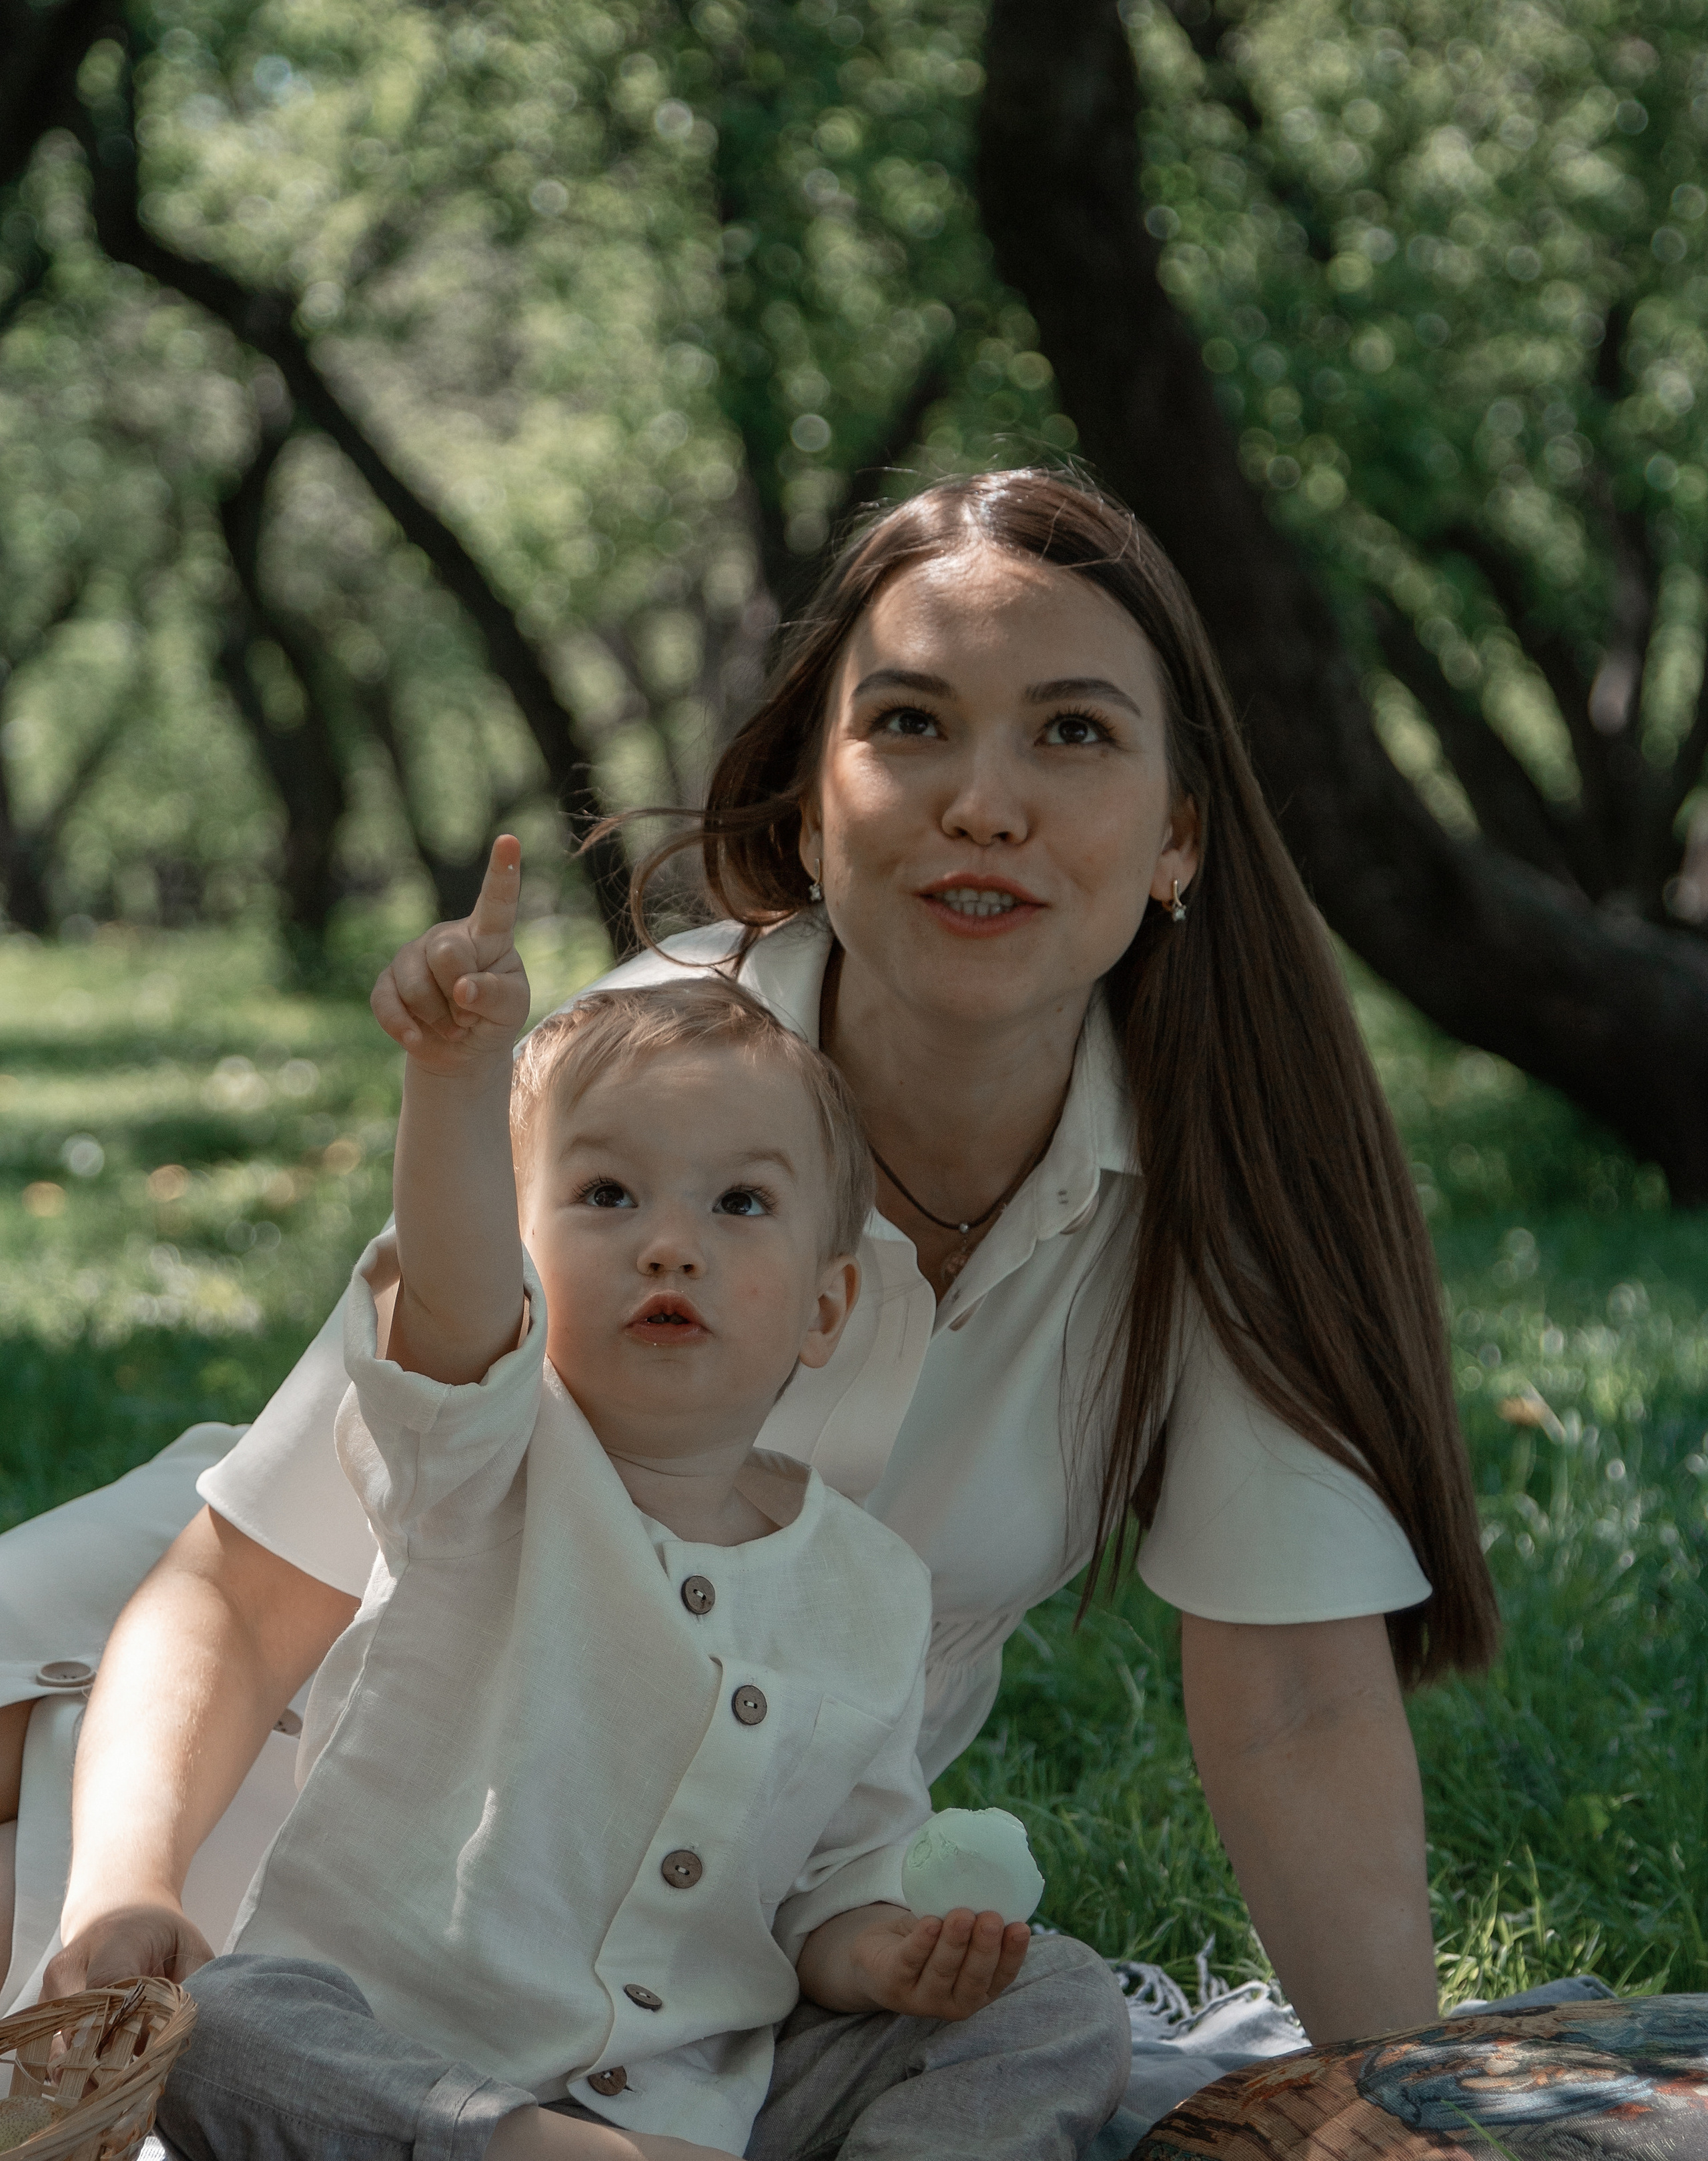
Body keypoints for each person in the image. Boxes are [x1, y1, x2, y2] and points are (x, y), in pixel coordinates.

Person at [3, 468, 1498, 2066]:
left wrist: (1391, 2106)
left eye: (1070, 733)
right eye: (908, 724)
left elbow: (1297, 1706)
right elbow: (251, 1581)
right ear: (806, 807)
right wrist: (121, 1878)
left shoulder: (1225, 1179)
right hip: (305, 1714)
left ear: (1175, 835)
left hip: (707, 1880)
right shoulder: (632, 1074)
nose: (981, 803)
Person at [142, 875, 1127, 2161]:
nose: (671, 1242)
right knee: (225, 2033)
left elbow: (831, 1890)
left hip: (706, 2091)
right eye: (604, 1196)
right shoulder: (481, 1458)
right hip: (409, 2067)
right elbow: (451, 1284)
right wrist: (456, 1078)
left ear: (825, 1306)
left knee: (1054, 2000)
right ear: (527, 1265)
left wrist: (887, 1957)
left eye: (739, 1204)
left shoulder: (866, 1588)